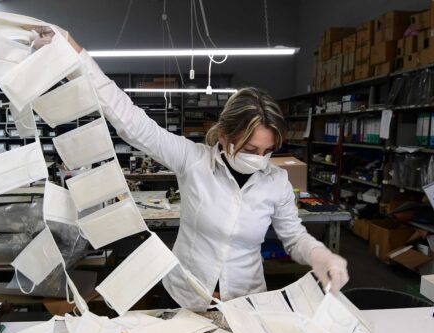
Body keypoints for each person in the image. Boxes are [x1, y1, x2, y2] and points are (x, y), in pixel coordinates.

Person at [33, 28, 350, 308]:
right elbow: (130, 120)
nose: (260, 158)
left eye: (269, 150)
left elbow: (293, 237)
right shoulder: (192, 160)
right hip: (185, 296)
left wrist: (321, 256)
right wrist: (73, 52)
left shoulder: (276, 181)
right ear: (224, 136)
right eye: (251, 149)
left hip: (246, 302)